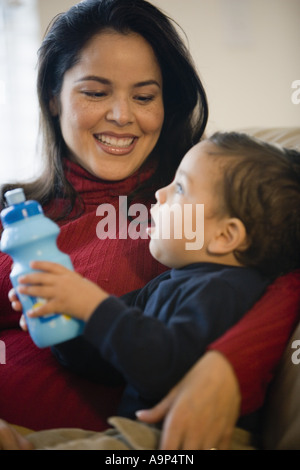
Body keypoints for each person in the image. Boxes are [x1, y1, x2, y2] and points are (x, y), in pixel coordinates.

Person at [0, 0, 299, 450]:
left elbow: (281, 270)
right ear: (52, 97)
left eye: (144, 96)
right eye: (96, 92)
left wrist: (226, 366)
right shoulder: (15, 212)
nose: (122, 115)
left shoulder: (195, 218)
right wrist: (63, 319)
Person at [4, 131, 300, 450]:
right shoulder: (170, 282)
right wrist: (66, 323)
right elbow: (112, 362)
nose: (160, 194)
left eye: (181, 188)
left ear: (225, 236)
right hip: (134, 434)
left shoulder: (226, 292)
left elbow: (166, 368)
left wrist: (92, 305)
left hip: (190, 439)